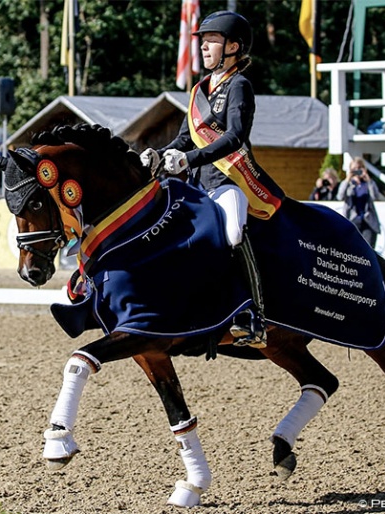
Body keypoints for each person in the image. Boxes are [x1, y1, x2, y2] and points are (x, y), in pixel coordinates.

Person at [139, 11, 285, 349]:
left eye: (212, 41)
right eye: (202, 41)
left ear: (233, 47)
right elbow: (184, 139)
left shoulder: (239, 86)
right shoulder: (199, 90)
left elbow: (235, 136)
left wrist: (189, 159)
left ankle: (252, 313)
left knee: (233, 231)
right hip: (197, 184)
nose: (203, 47)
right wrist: (159, 154)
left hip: (229, 179)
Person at [335, 157, 383, 248]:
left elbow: (375, 196)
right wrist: (348, 179)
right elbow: (340, 196)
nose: (357, 171)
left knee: (368, 248)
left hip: (367, 220)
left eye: (359, 168)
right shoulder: (348, 184)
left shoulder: (368, 183)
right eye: (354, 169)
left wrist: (368, 179)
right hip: (352, 220)